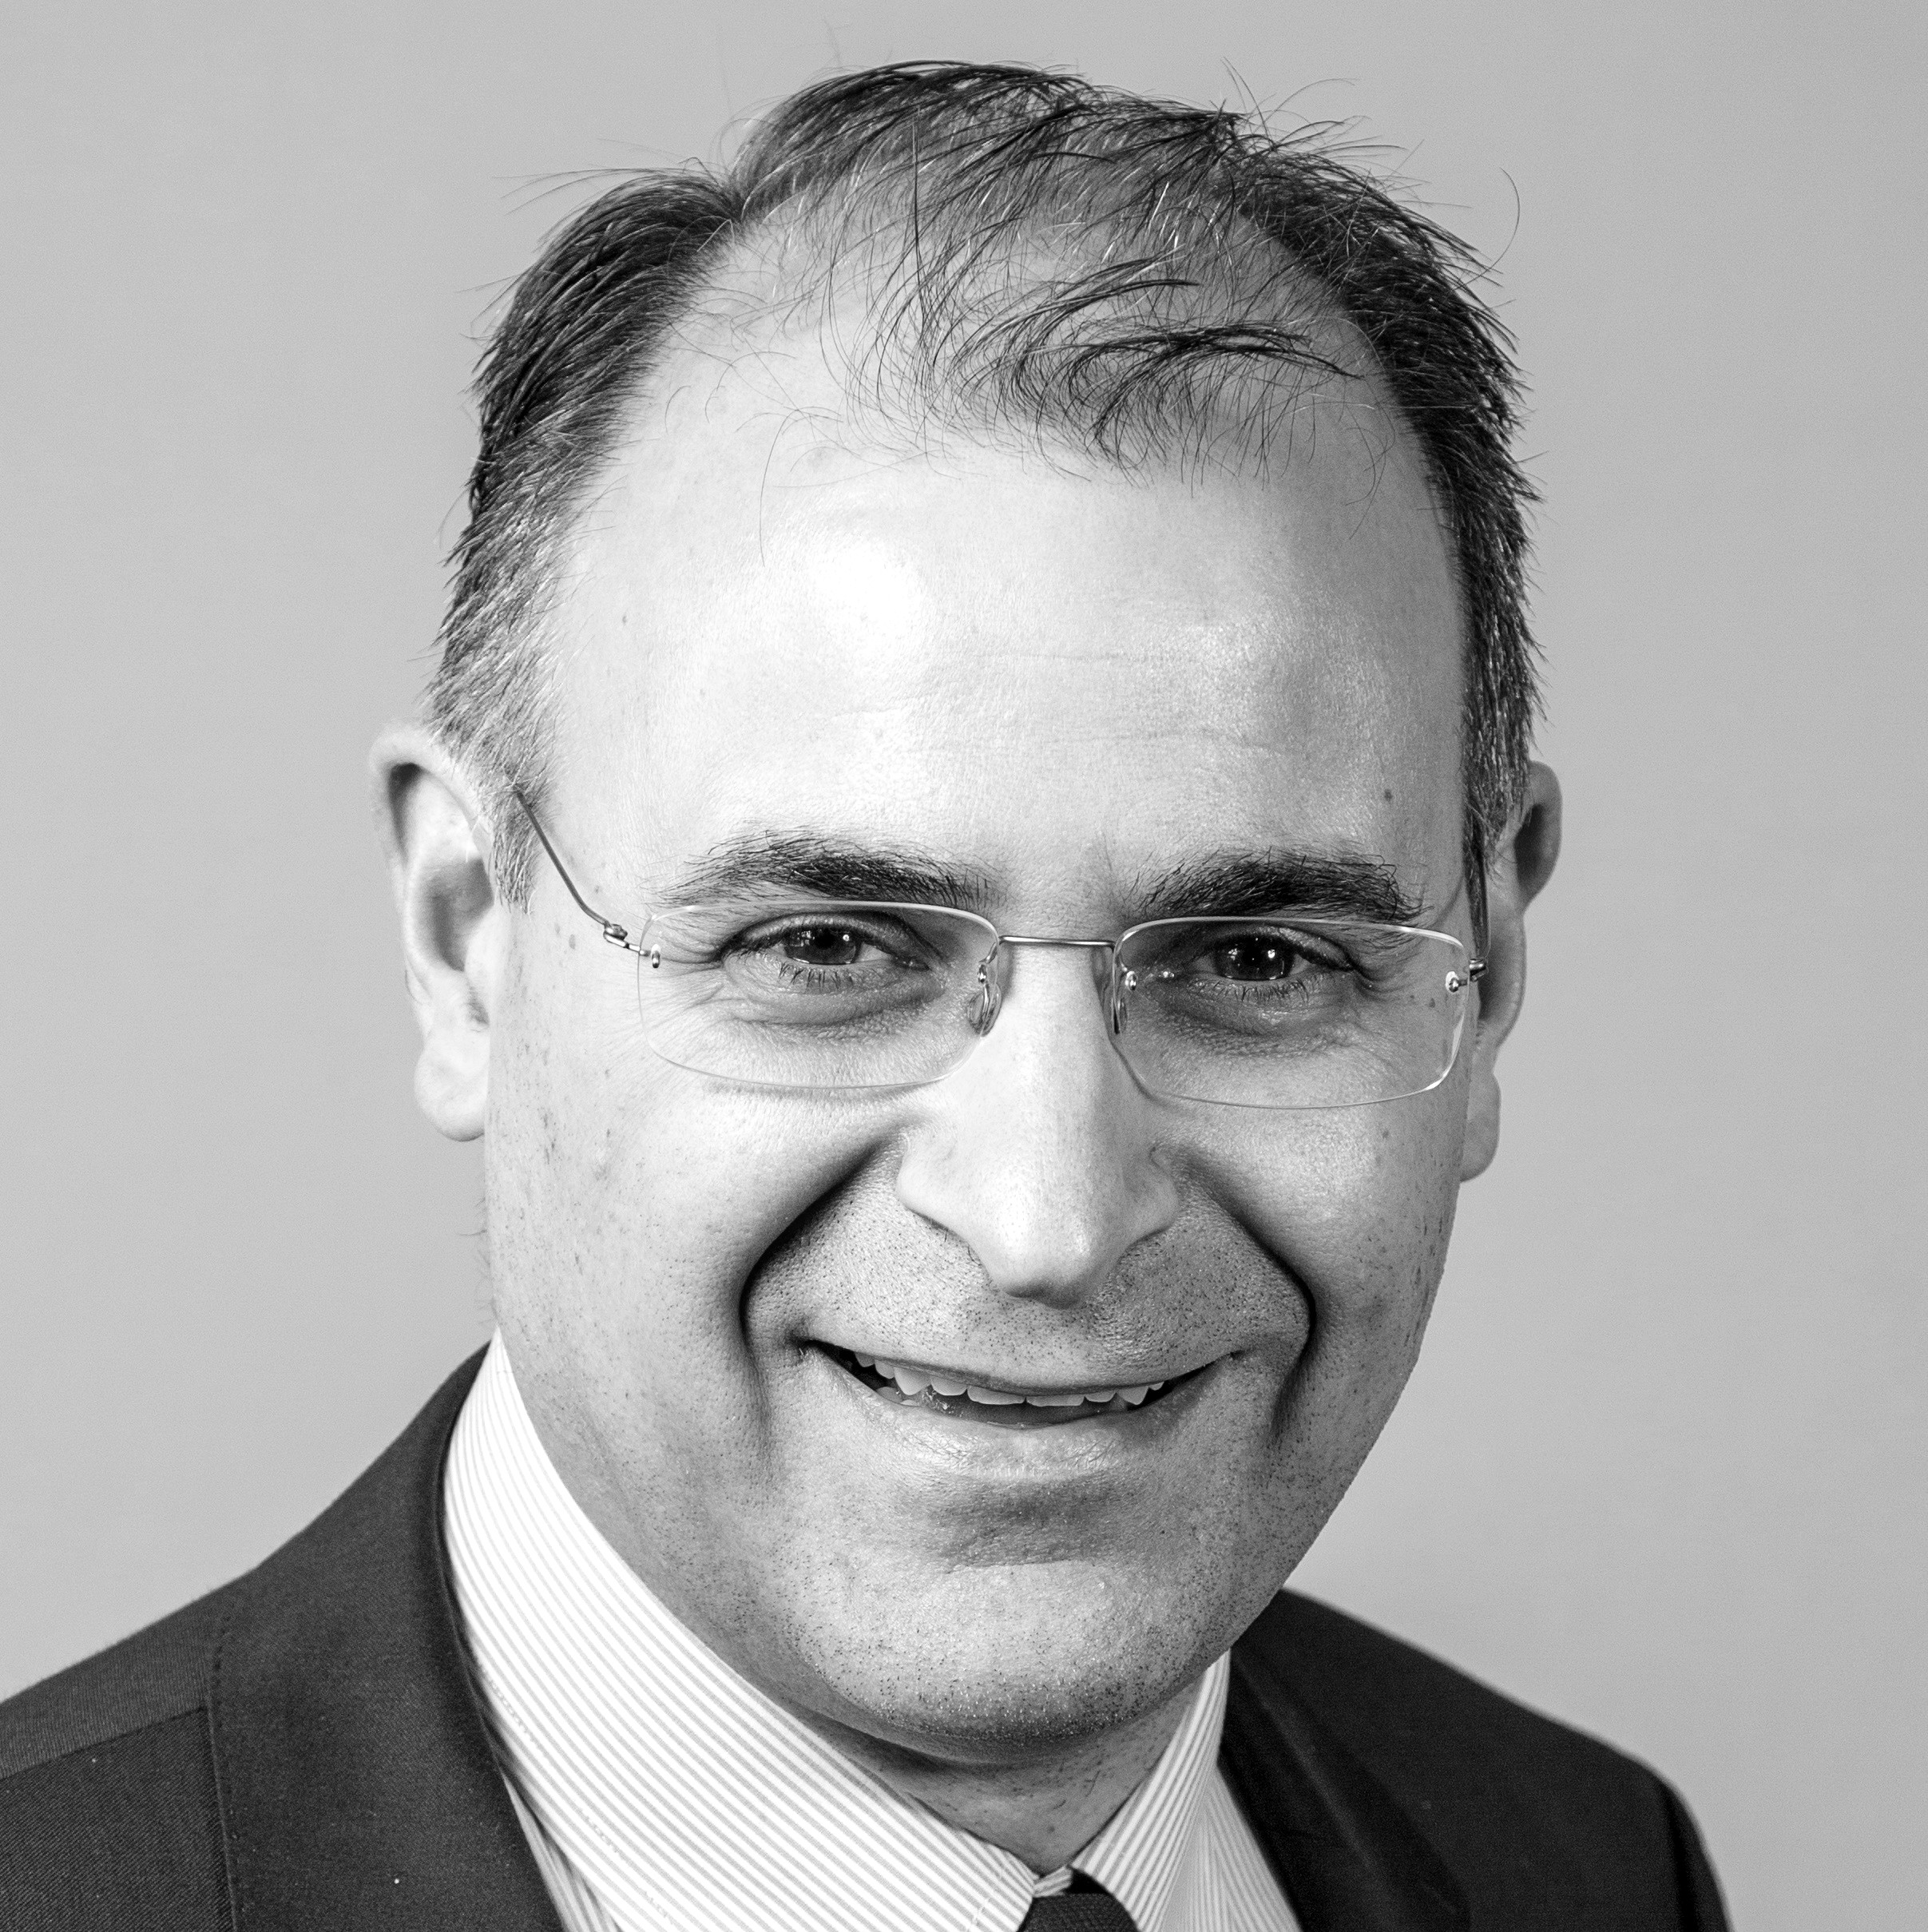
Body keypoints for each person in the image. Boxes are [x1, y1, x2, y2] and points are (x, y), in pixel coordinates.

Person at [0, 61, 1727, 1930]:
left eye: (1257, 960)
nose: (1048, 1220)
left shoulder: (1580, 1863)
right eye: (827, 947)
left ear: (1486, 975)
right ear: (460, 938)